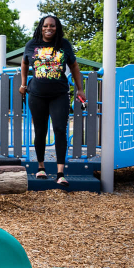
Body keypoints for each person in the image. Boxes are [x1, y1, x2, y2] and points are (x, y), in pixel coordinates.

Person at [19, 15, 84, 187]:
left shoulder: (64, 45)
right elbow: (24, 63)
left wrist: (80, 89)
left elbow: (75, 66)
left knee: (60, 129)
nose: (49, 28)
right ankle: (40, 167)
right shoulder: (31, 45)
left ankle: (60, 173)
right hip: (36, 94)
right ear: (41, 27)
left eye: (52, 26)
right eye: (46, 25)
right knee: (40, 131)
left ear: (57, 27)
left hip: (59, 94)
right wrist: (23, 84)